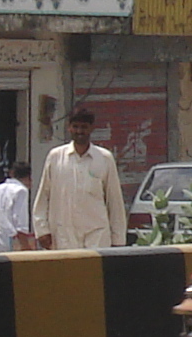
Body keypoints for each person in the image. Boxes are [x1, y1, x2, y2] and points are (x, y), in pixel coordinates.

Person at [31, 107, 125, 252]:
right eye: (75, 127)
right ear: (69, 128)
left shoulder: (104, 158)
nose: (79, 131)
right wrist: (42, 230)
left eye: (84, 127)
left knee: (94, 274)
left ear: (91, 129)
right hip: (63, 234)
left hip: (97, 235)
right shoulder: (56, 157)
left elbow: (114, 201)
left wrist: (118, 240)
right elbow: (44, 195)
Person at [0, 158, 33, 254]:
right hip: (12, 241)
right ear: (28, 177)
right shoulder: (21, 191)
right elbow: (20, 222)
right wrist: (26, 246)